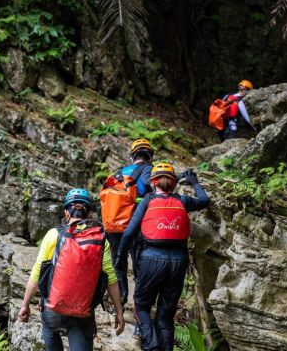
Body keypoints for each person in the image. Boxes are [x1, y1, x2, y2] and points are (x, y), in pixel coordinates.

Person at [114, 163, 210, 351]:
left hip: (151, 259)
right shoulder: (183, 200)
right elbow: (205, 200)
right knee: (166, 316)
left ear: (153, 183)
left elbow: (128, 233)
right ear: (173, 184)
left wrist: (120, 258)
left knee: (141, 307)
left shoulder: (148, 201)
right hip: (178, 262)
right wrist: (194, 183)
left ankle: (151, 346)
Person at [19, 188, 125, 351]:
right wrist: (119, 311)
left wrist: (25, 305)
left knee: (49, 328)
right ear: (90, 214)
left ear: (66, 213)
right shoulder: (100, 241)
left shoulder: (53, 235)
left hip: (53, 310)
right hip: (83, 311)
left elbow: (37, 272)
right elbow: (111, 279)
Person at [103, 139, 154, 306]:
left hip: (116, 224)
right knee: (139, 265)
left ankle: (121, 300)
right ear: (150, 157)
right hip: (137, 224)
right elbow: (150, 185)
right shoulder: (148, 170)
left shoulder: (120, 172)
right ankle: (140, 305)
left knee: (119, 264)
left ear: (132, 156)